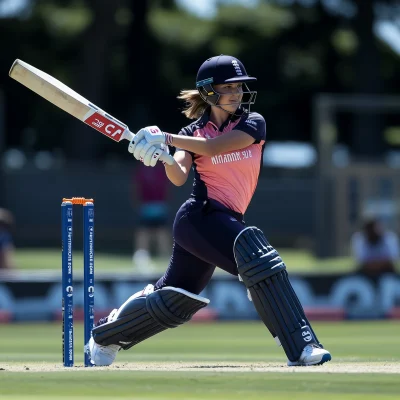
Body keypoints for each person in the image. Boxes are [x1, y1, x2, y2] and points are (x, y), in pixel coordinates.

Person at [86, 55, 331, 367]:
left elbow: (216, 147)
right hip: (199, 218)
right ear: (209, 92)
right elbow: (178, 176)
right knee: (259, 260)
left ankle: (106, 335)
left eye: (239, 87)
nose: (236, 93)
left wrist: (166, 138)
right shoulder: (193, 133)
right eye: (227, 87)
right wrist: (160, 155)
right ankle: (302, 347)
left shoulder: (252, 123)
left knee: (174, 300)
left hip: (225, 221)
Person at [132, 162, 171, 272]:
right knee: (143, 232)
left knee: (161, 232)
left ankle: (166, 258)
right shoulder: (142, 169)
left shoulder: (162, 168)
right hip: (146, 205)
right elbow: (136, 187)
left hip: (159, 205)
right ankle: (141, 257)